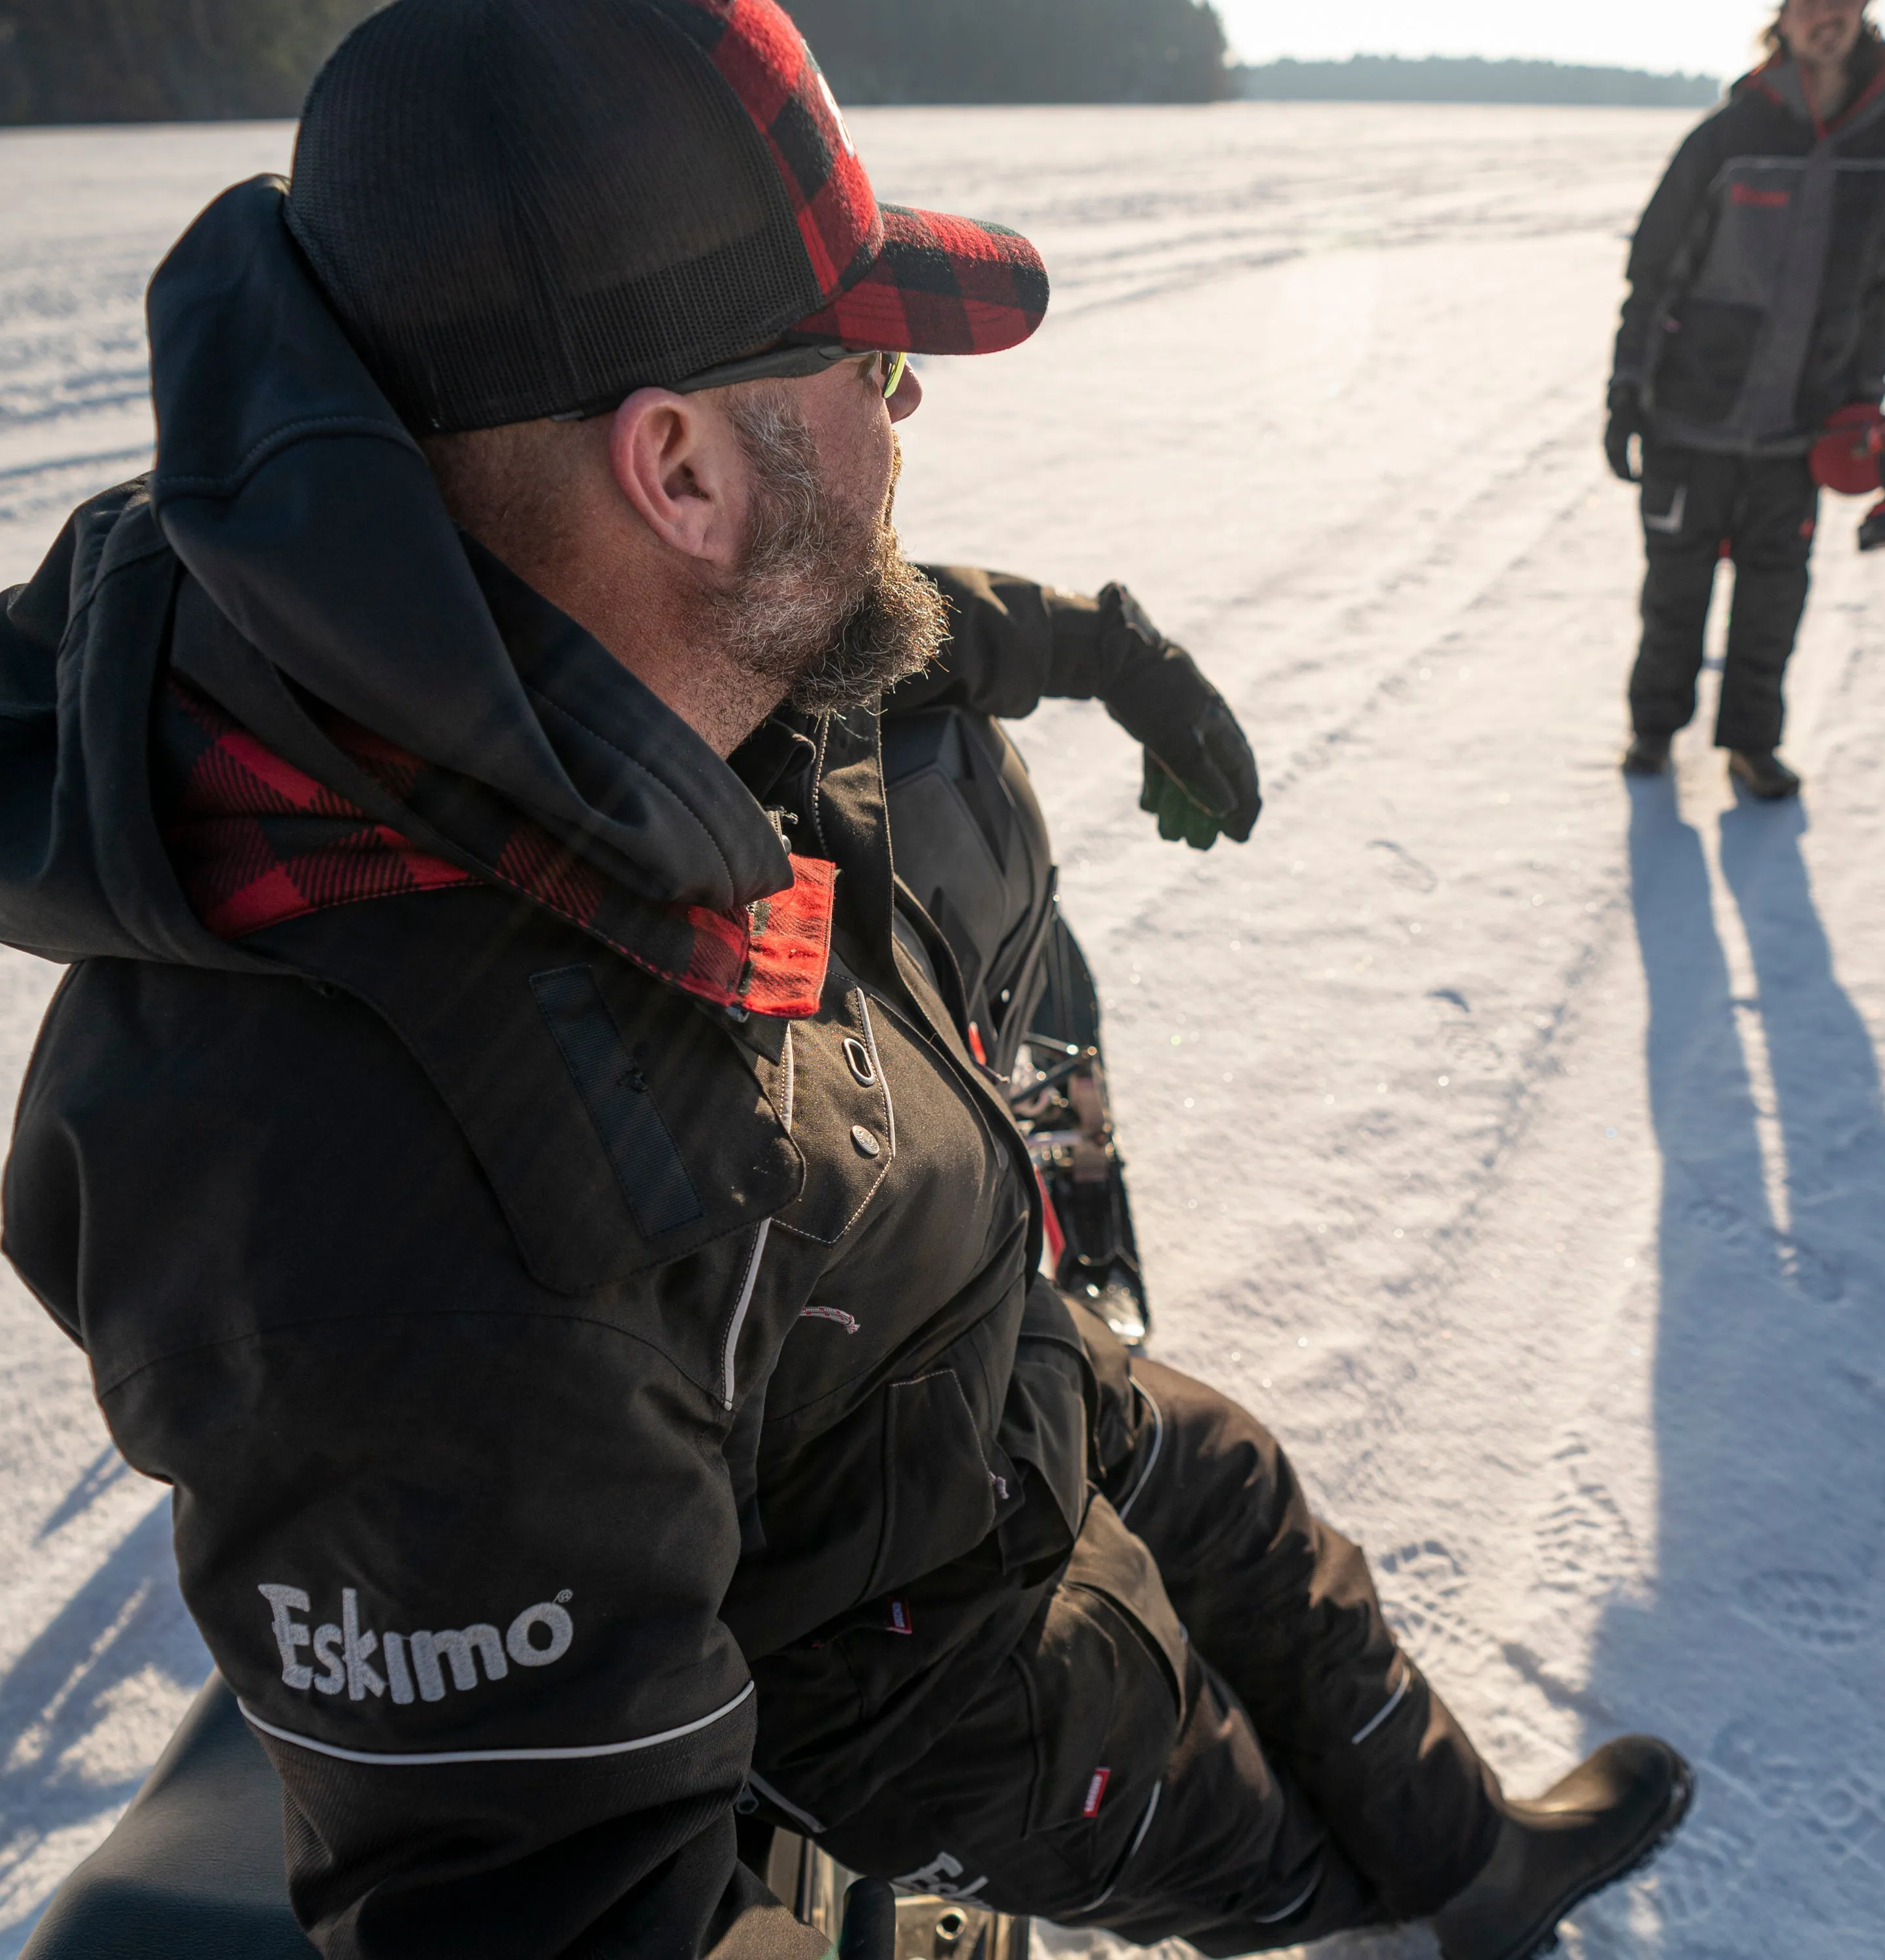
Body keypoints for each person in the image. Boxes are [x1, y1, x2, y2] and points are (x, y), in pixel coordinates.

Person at [1, 5, 1688, 1959]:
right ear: (684, 471)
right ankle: (1367, 1917)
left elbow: (881, 610)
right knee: (1225, 1806)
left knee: (1246, 1504)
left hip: (968, 1376)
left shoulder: (583, 656)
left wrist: (1102, 648)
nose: (902, 426)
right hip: (919, 1662)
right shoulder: (381, 1208)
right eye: (872, 370)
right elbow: (562, 1915)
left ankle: (1477, 1868)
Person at [1605, 0, 1885, 799]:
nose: (1828, 19)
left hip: (1802, 427)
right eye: (1810, 4)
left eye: (1842, 4)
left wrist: (1864, 402)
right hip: (1692, 416)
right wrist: (1625, 390)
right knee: (1674, 595)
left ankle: (1752, 745)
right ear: (1780, 18)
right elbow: (1654, 271)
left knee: (1774, 600)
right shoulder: (1727, 135)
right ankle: (1653, 730)